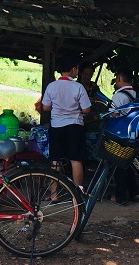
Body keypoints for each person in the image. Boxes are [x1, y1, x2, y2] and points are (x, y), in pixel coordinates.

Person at [41, 56, 92, 187]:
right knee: (76, 160)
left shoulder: (52, 86)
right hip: (75, 126)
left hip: (57, 126)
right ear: (73, 69)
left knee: (55, 161)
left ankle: (54, 195)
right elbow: (86, 110)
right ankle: (77, 194)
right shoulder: (78, 87)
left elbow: (45, 107)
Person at [109, 67, 139, 206]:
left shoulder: (118, 95)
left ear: (119, 79)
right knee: (129, 163)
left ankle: (120, 195)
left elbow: (113, 115)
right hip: (133, 134)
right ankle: (134, 192)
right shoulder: (136, 94)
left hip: (121, 133)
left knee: (119, 165)